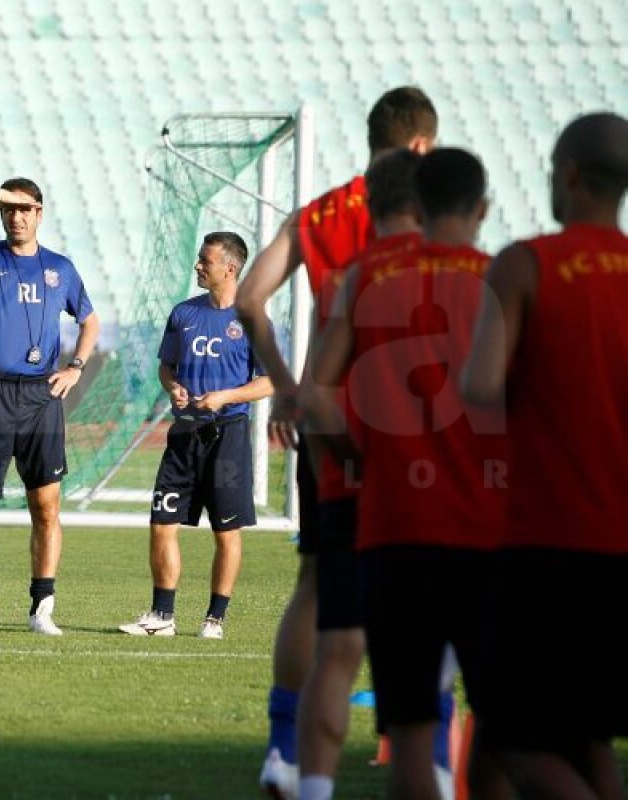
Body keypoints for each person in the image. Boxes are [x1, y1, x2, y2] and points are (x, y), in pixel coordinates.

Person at [235, 87, 438, 796]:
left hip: (329, 423)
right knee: (425, 591)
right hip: (411, 430)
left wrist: (289, 387)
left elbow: (247, 299)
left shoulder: (317, 214)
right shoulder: (427, 214)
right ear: (419, 146)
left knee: (318, 586)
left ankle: (284, 751)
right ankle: (424, 753)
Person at [304, 147, 512, 800]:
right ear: (481, 209)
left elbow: (314, 397)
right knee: (502, 724)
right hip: (487, 529)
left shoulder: (366, 275)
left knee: (412, 732)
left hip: (395, 528)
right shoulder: (502, 279)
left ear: (413, 205)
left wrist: (359, 456)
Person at [462, 112, 628, 798]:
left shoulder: (527, 264)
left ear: (568, 175)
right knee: (588, 739)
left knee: (512, 735)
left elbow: (478, 388)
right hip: (621, 548)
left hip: (543, 542)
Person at [0, 177, 99, 636]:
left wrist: (76, 366)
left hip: (40, 398)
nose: (16, 216)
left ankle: (41, 610)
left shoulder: (60, 268)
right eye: (9, 209)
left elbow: (90, 321)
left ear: (39, 213)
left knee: (46, 507)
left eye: (25, 209)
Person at [117, 232, 271, 639]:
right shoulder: (183, 313)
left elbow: (272, 382)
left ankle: (214, 619)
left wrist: (226, 396)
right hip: (183, 435)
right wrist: (173, 387)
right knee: (161, 522)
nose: (198, 265)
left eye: (206, 260)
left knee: (227, 531)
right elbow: (166, 367)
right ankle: (161, 616)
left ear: (230, 268)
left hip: (229, 437)